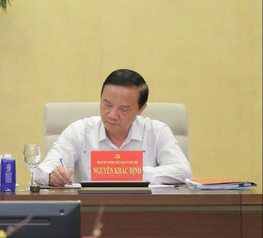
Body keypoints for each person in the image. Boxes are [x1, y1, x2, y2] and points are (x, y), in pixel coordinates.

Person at [34, 69, 193, 186]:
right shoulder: (78, 131)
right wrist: (52, 176)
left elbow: (183, 171)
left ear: (141, 109)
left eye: (123, 109)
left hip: (144, 211)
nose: (112, 115)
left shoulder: (157, 131)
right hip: (89, 212)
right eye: (107, 104)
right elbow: (41, 171)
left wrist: (133, 172)